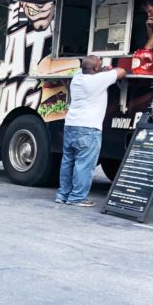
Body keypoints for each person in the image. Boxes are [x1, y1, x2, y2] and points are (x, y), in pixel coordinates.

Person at [55, 55, 126, 207]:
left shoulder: (77, 78)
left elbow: (90, 72)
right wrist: (107, 71)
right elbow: (122, 71)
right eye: (99, 64)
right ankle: (77, 198)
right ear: (95, 68)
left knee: (68, 162)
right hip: (88, 128)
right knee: (84, 165)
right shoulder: (98, 80)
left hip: (71, 125)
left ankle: (63, 194)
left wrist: (101, 70)